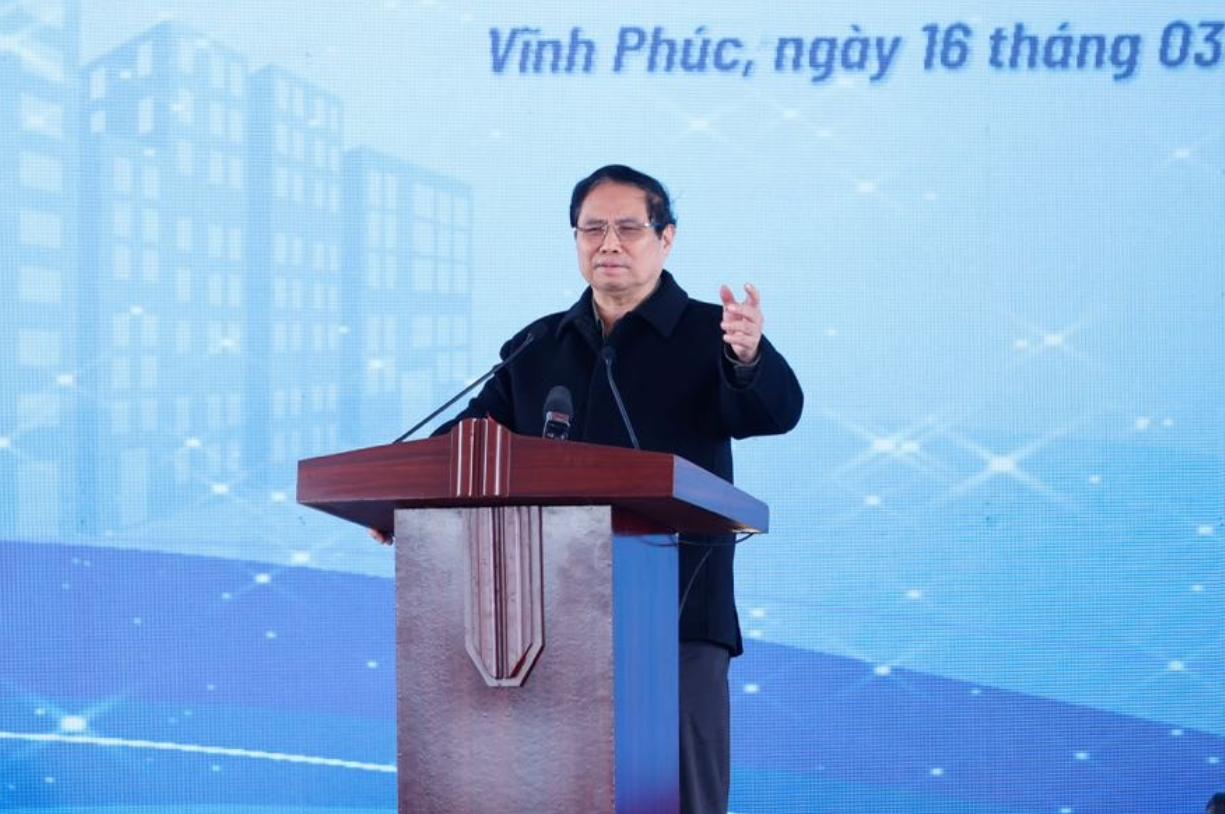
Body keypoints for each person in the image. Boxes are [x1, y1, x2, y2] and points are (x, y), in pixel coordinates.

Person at [374, 164, 803, 814]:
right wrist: (393, 500)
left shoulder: (707, 335)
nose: (608, 243)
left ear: (666, 238)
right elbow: (464, 443)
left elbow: (771, 413)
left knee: (674, 801)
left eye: (628, 228)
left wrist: (746, 359)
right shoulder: (539, 346)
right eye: (591, 229)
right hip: (542, 627)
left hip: (677, 619)